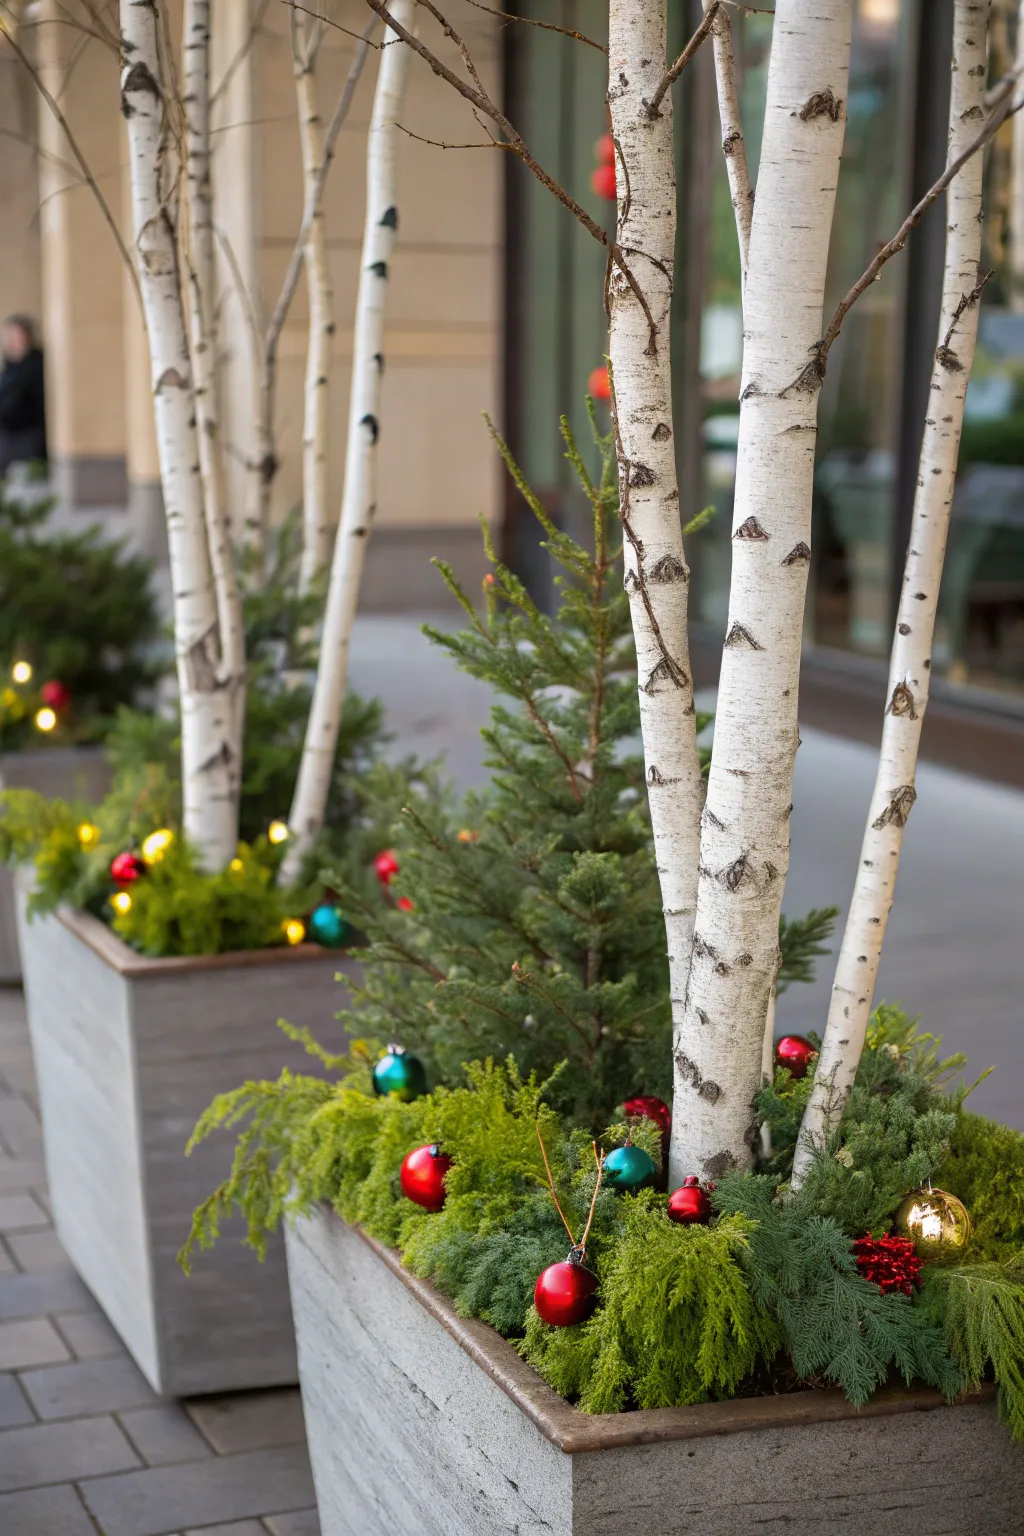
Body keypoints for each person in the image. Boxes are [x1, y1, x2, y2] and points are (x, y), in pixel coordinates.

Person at [0, 316, 47, 478]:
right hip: (10, 435)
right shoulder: (10, 368)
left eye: (18, 338)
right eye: (10, 337)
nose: (13, 342)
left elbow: (14, 406)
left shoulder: (33, 367)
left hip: (26, 437)